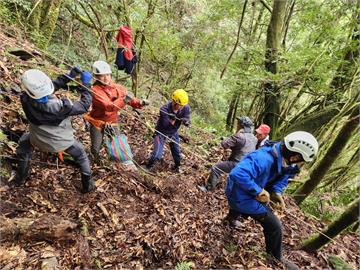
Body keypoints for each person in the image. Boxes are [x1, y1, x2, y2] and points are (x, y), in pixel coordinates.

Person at [225, 131, 318, 270]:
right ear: (295, 156)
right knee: (274, 226)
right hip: (239, 195)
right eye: (301, 161)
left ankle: (230, 219)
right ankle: (276, 256)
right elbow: (237, 174)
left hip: (245, 193)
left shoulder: (283, 161)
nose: (301, 164)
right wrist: (257, 191)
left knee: (248, 207)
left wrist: (276, 193)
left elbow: (281, 178)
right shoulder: (263, 158)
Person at [15, 68, 95, 193]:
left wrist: (69, 76)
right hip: (62, 143)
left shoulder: (25, 99)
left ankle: (20, 177)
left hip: (36, 140)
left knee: (24, 145)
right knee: (82, 156)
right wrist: (86, 84)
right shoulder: (62, 106)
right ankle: (88, 186)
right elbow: (85, 105)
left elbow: (41, 92)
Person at [85, 60, 149, 164]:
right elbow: (108, 106)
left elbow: (131, 99)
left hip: (112, 122)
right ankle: (96, 163)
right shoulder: (95, 91)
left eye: (107, 75)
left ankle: (117, 163)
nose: (106, 78)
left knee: (117, 145)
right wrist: (123, 100)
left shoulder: (118, 88)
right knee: (96, 147)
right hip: (97, 123)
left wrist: (140, 103)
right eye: (102, 76)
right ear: (96, 77)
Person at [198, 116, 257, 192]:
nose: (237, 125)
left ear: (242, 126)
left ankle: (208, 189)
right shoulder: (254, 138)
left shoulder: (239, 136)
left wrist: (233, 136)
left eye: (238, 124)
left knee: (216, 168)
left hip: (237, 164)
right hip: (248, 165)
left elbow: (224, 144)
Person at [145, 89, 190, 173]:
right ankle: (148, 166)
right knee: (157, 155)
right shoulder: (164, 109)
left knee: (177, 153)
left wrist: (186, 121)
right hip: (161, 132)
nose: (182, 107)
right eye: (180, 105)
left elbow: (187, 117)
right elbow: (166, 125)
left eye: (182, 105)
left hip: (173, 132)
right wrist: (173, 120)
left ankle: (177, 166)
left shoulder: (185, 107)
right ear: (174, 102)